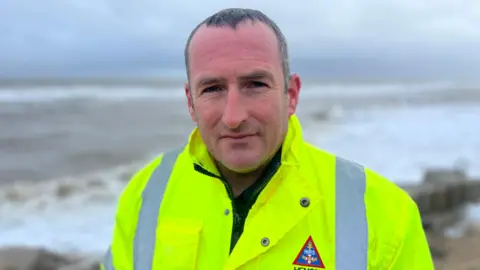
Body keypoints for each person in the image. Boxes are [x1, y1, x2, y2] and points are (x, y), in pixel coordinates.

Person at [101, 8, 434, 270]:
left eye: (255, 84)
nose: (234, 116)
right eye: (213, 89)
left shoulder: (385, 212)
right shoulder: (145, 195)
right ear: (190, 102)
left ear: (291, 94)